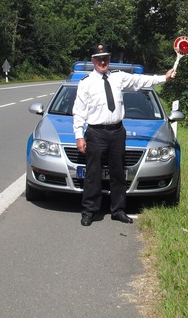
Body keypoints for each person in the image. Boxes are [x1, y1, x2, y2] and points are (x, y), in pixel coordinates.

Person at [72, 44, 175, 226]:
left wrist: (163, 78)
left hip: (117, 132)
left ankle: (118, 210)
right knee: (93, 174)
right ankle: (89, 211)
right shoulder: (86, 83)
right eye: (99, 59)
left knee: (118, 173)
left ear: (109, 60)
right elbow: (79, 112)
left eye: (106, 58)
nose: (103, 62)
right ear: (93, 61)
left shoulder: (118, 77)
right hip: (96, 133)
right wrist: (79, 136)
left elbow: (140, 80)